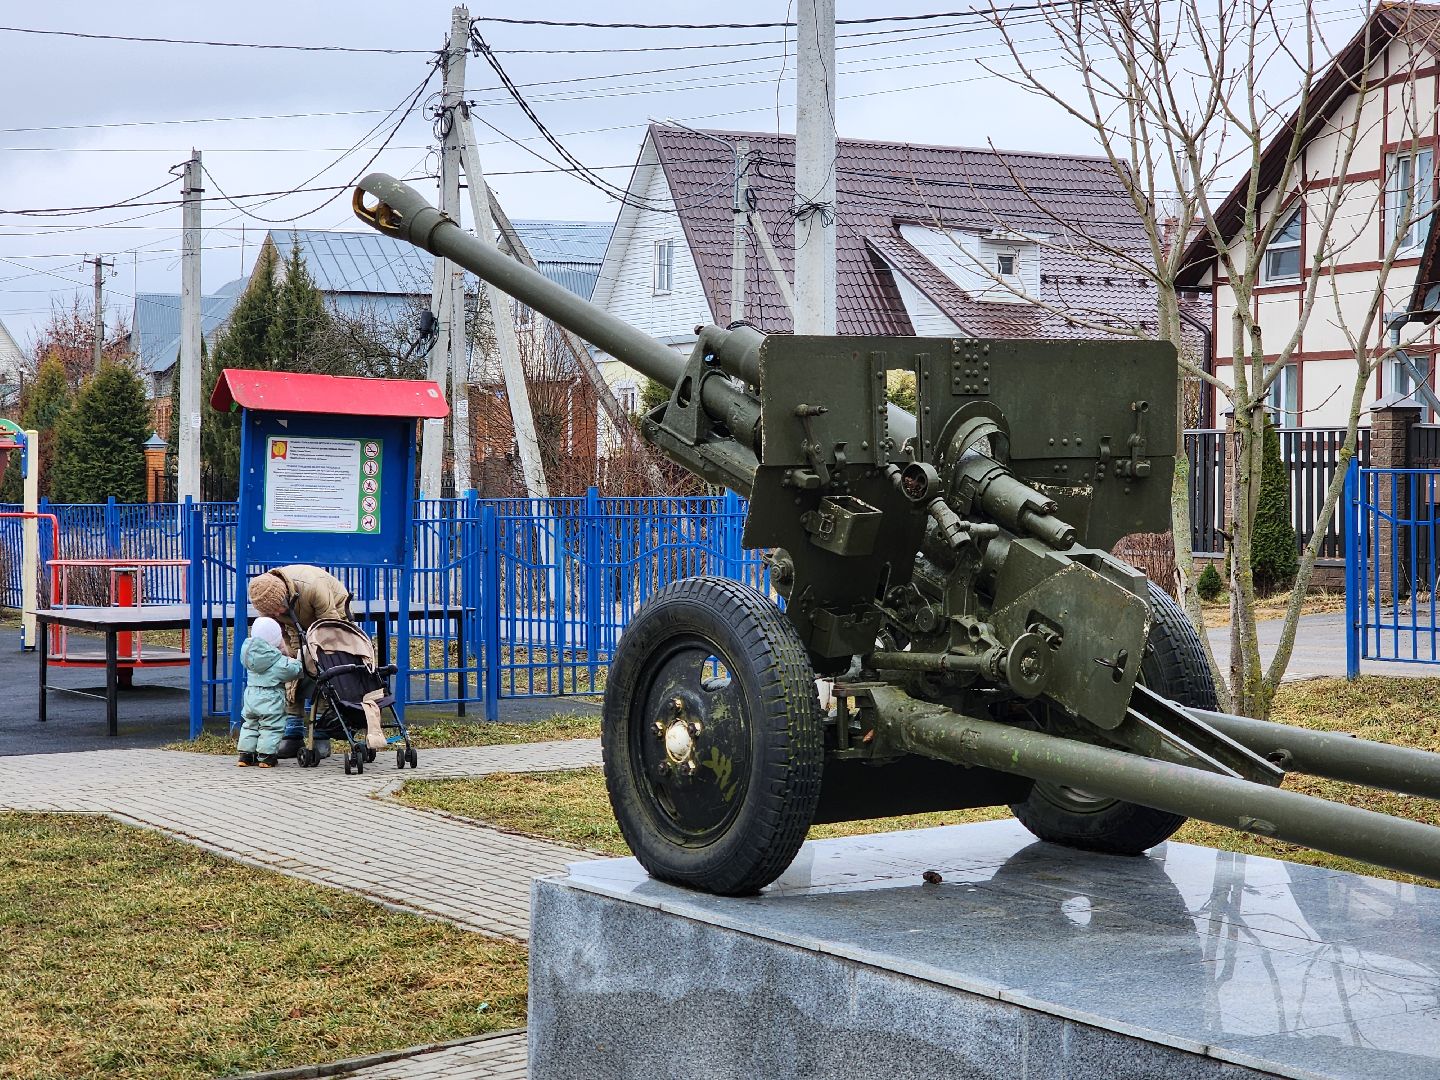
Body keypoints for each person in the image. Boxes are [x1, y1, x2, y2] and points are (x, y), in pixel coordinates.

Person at [247, 565, 352, 758]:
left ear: (284, 596)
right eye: (272, 613)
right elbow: (277, 636)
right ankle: (293, 733)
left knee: (321, 670)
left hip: (332, 618)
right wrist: (286, 656)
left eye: (277, 609)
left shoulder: (314, 586)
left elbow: (330, 627)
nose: (277, 614)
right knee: (289, 668)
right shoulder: (268, 604)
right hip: (294, 625)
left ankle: (320, 735)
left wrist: (311, 653)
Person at [237, 616, 303, 768]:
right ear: (275, 641)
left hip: (251, 697)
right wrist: (294, 658)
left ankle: (245, 755)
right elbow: (293, 670)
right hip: (270, 699)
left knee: (250, 725)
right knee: (270, 726)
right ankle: (266, 757)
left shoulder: (250, 656)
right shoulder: (276, 661)